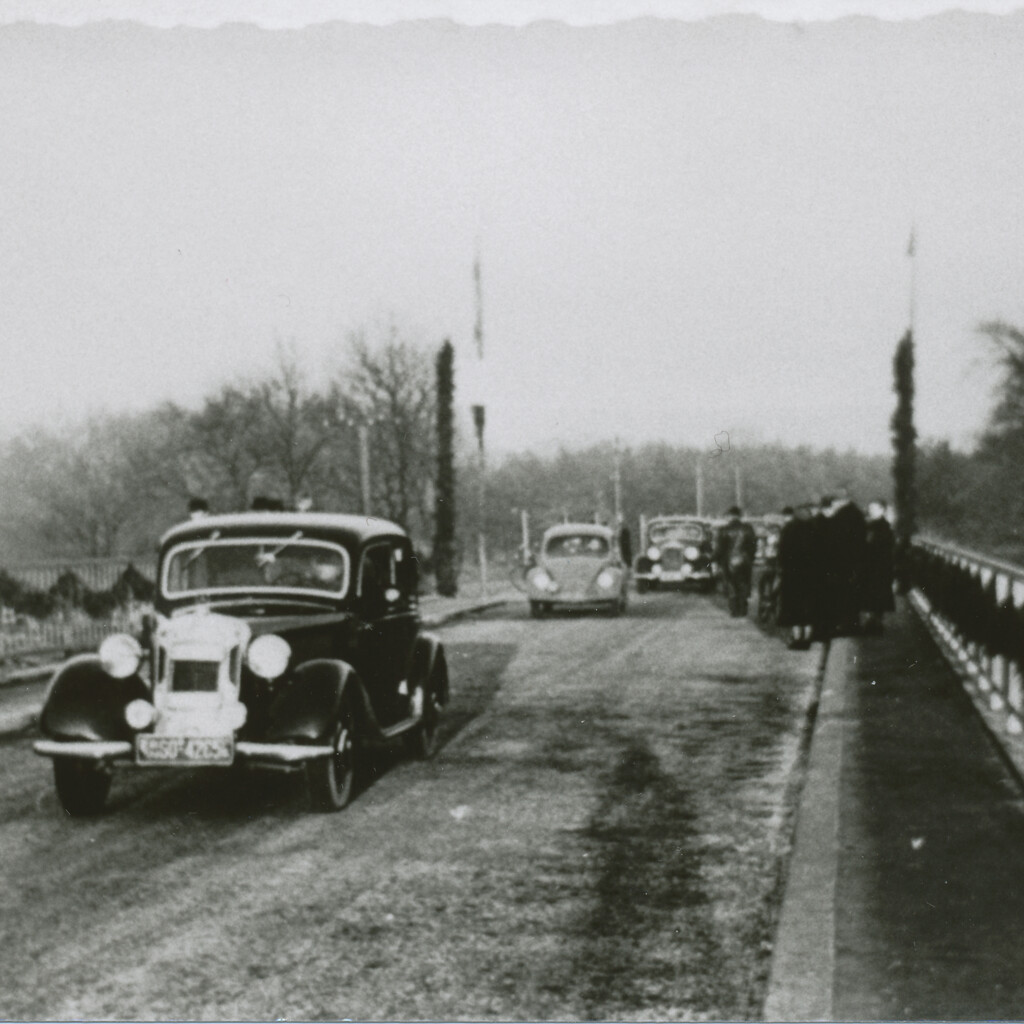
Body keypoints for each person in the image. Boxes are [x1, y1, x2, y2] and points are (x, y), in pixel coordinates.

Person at [822, 487, 867, 636]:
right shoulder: (855, 513)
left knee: (842, 593)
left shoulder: (843, 516)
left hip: (842, 563)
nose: (833, 505)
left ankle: (844, 626)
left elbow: (835, 540)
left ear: (841, 501)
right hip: (853, 561)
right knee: (851, 593)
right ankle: (850, 624)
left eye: (834, 502)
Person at [776, 503, 818, 649]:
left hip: (792, 574)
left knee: (793, 607)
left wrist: (782, 567)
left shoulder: (789, 529)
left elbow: (782, 552)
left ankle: (796, 637)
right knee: (809, 607)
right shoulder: (816, 528)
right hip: (813, 574)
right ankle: (807, 638)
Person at [714, 505, 757, 617]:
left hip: (729, 560)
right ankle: (743, 608)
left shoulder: (724, 529)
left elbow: (720, 548)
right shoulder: (748, 528)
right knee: (744, 583)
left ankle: (734, 610)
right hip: (745, 559)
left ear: (730, 516)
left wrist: (717, 561)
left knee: (731, 584)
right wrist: (750, 558)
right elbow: (753, 545)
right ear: (739, 516)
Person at [861, 498, 896, 633]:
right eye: (871, 509)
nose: (871, 511)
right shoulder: (871, 526)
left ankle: (876, 621)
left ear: (882, 510)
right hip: (871, 566)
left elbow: (884, 547)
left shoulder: (883, 527)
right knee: (872, 594)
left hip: (879, 566)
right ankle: (873, 620)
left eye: (874, 509)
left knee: (877, 594)